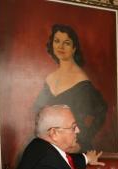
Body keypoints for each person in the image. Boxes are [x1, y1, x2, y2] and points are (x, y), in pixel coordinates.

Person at [34, 24, 107, 152]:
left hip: (70, 147)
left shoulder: (82, 81)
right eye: (57, 41)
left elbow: (101, 111)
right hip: (48, 145)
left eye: (66, 43)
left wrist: (81, 141)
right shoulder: (50, 77)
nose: (60, 46)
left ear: (74, 48)